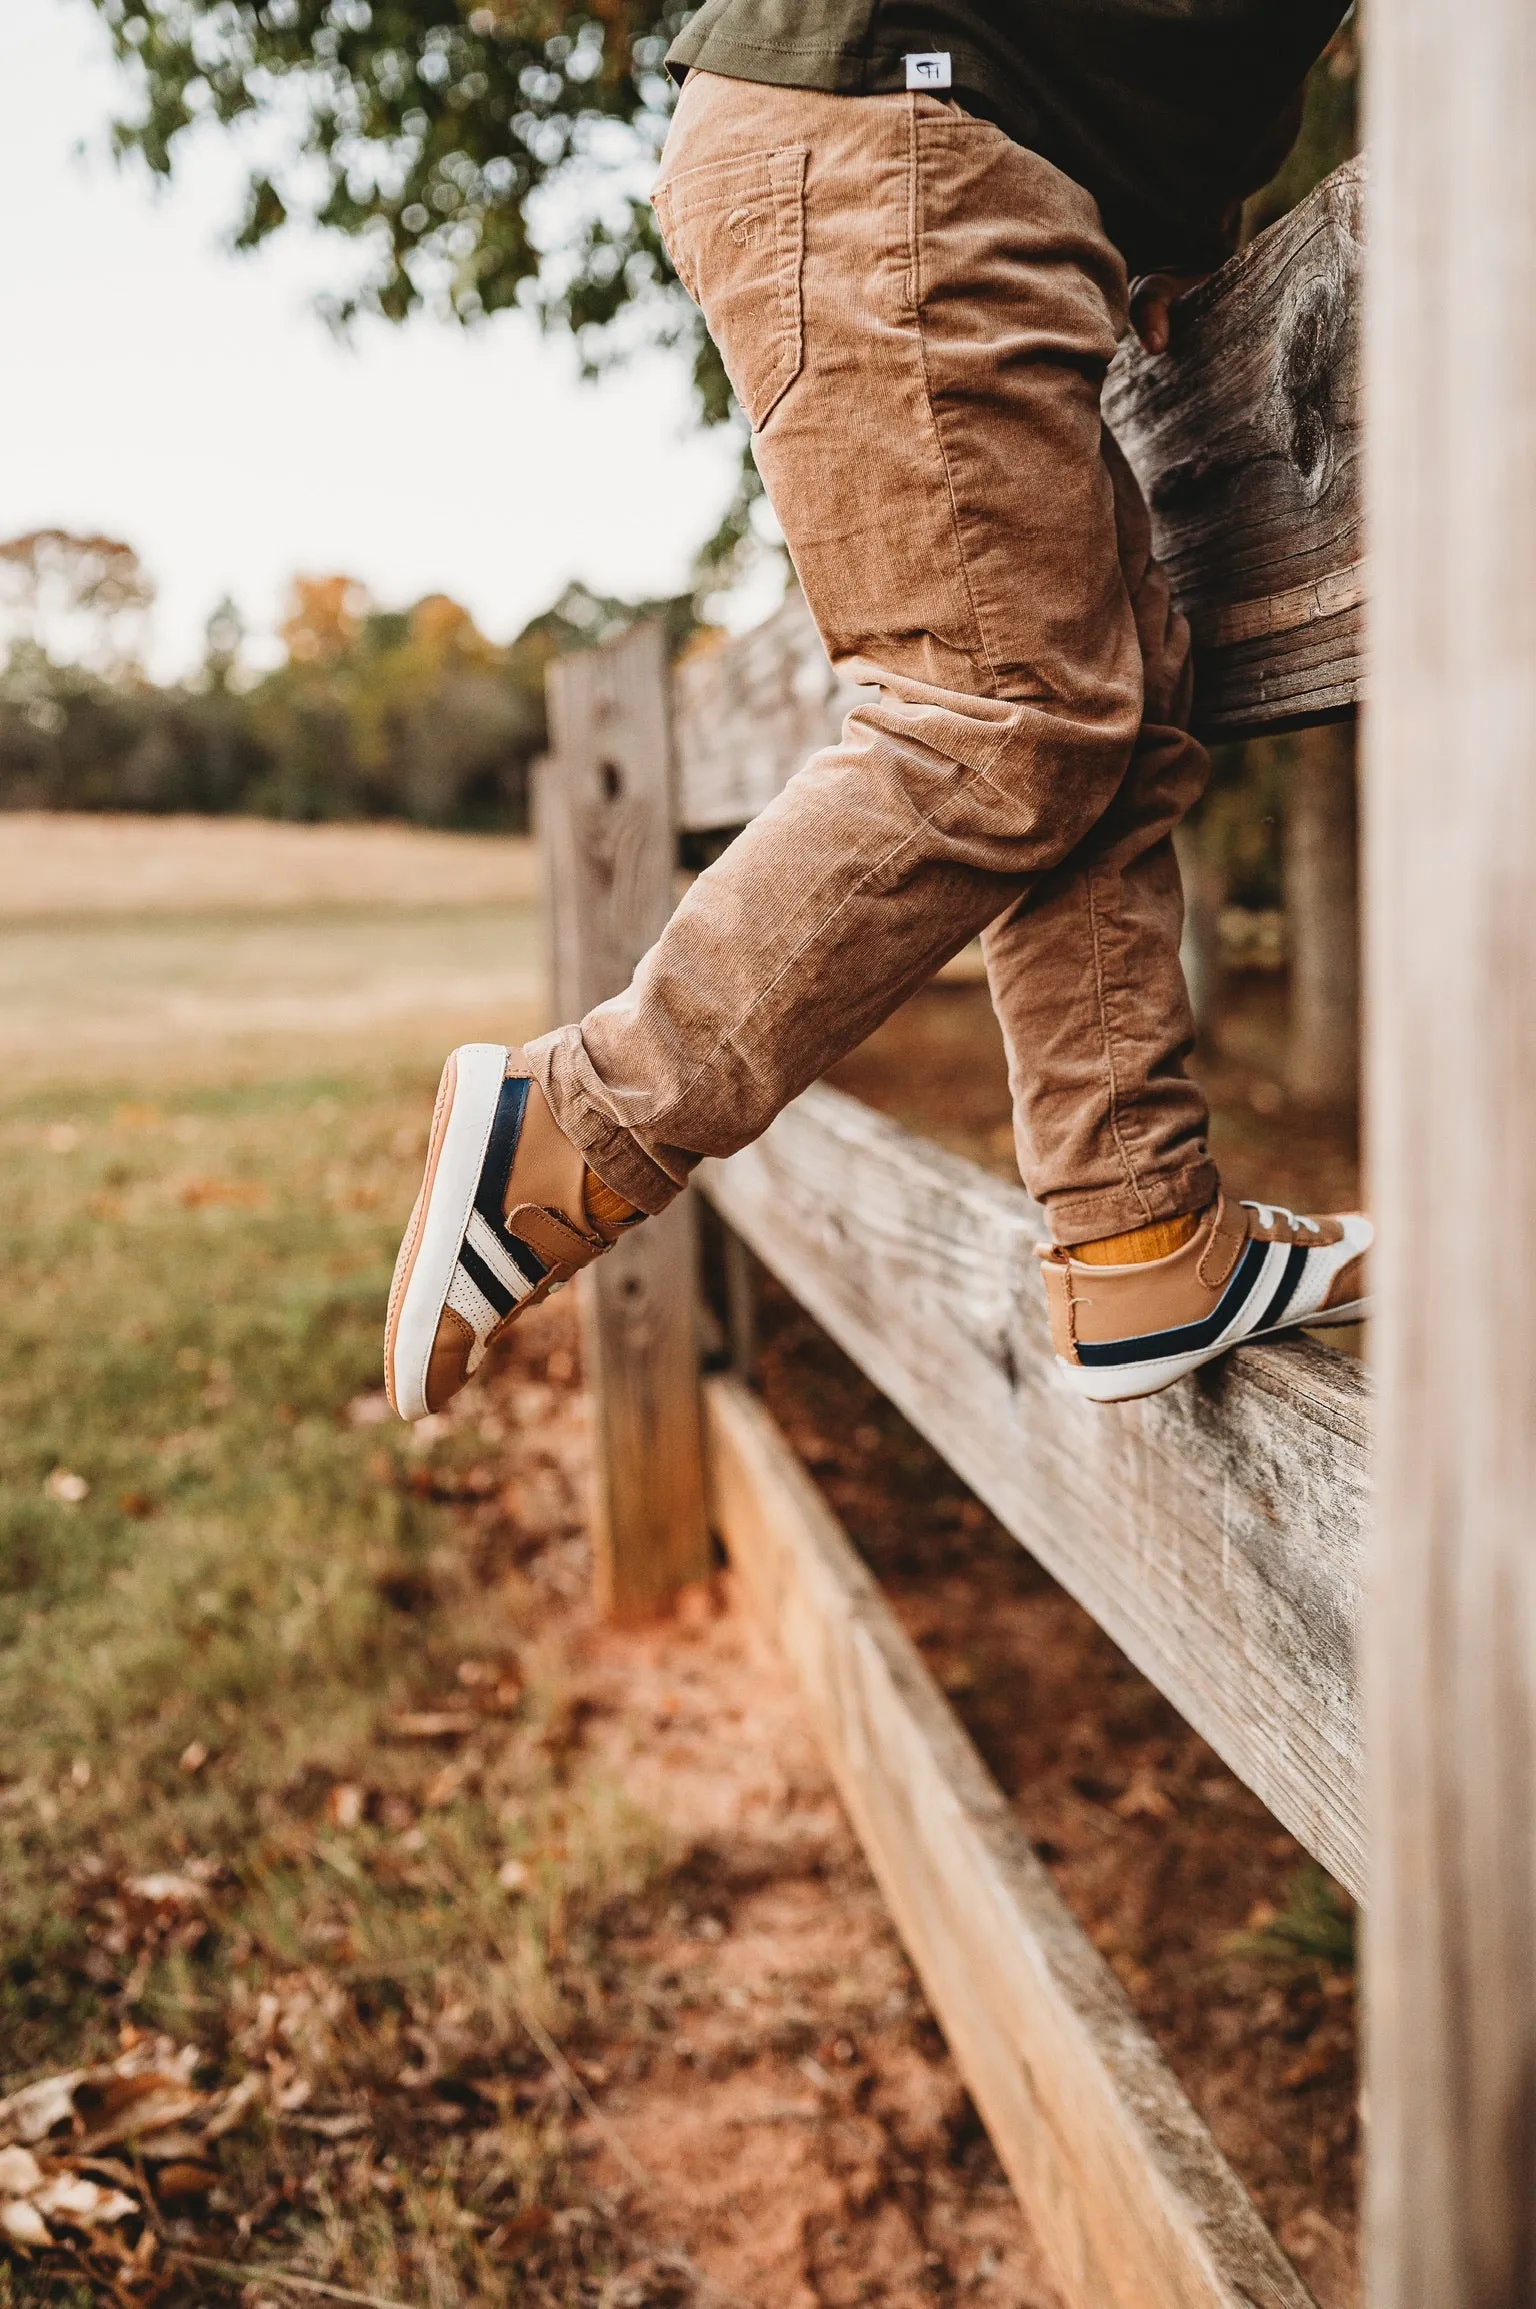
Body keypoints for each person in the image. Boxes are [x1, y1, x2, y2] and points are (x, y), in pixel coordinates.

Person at [384, 0, 1371, 1422]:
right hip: (908, 129)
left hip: (937, 142)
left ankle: (1140, 1232)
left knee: (1110, 705)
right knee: (994, 720)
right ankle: (577, 1127)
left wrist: (1175, 209)